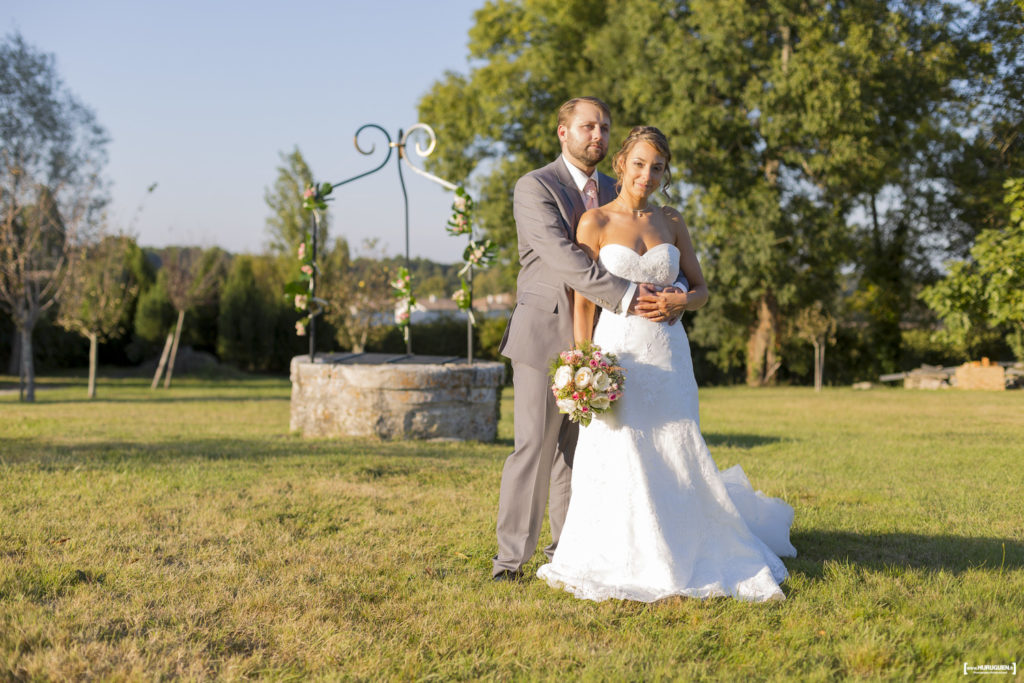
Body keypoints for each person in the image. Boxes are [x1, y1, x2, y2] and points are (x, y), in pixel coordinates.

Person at [536, 126, 797, 602]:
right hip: (616, 352)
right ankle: (620, 551)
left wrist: (682, 300)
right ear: (622, 164)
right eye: (639, 164)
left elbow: (701, 289)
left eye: (657, 167)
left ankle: (686, 546)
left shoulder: (672, 220)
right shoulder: (593, 222)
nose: (647, 174)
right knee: (620, 448)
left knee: (676, 446)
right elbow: (583, 303)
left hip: (668, 352)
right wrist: (584, 361)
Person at [493, 98, 684, 581]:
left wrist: (672, 292)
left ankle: (568, 549)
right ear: (563, 132)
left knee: (579, 455)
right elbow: (564, 258)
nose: (596, 134)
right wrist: (626, 294)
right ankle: (510, 561)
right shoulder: (535, 187)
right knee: (534, 449)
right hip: (545, 334)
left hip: (607, 343)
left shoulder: (614, 190)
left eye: (603, 127)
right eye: (586, 126)